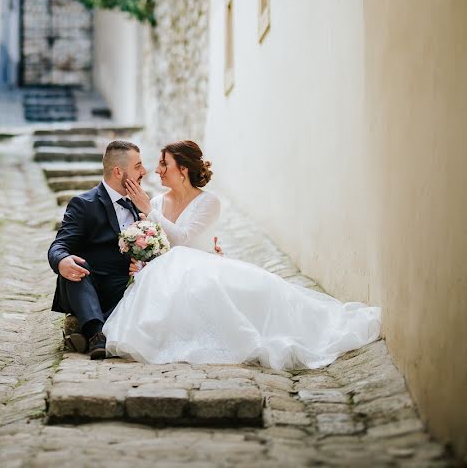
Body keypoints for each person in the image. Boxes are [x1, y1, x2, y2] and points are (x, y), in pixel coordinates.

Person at [104, 140, 381, 370]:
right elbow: (162, 247)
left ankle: (317, 324)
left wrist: (149, 212)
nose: (158, 169)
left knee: (266, 291)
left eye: (164, 163)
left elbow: (184, 239)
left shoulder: (208, 202)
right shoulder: (156, 202)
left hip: (206, 268)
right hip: (173, 275)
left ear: (183, 169)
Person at [47, 140, 147, 359]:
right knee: (75, 266)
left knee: (150, 282)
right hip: (88, 286)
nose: (144, 172)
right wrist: (61, 260)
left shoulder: (139, 204)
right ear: (118, 171)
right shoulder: (84, 204)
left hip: (122, 288)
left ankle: (90, 330)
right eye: (138, 166)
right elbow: (59, 245)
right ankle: (97, 333)